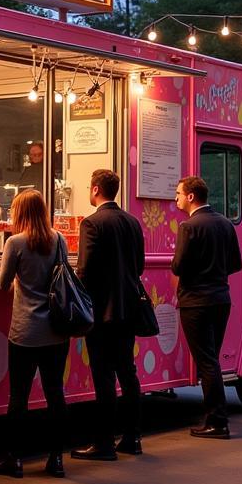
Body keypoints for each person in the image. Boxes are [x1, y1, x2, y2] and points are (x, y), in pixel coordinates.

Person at [72, 169, 146, 460]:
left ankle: (103, 443)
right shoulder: (132, 222)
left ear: (95, 189)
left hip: (101, 310)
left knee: (103, 376)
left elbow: (85, 269)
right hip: (128, 308)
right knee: (128, 373)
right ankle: (132, 437)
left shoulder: (91, 223)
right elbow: (138, 266)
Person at [0, 190, 70, 478]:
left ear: (20, 213)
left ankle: (13, 458)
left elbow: (2, 284)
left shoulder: (15, 242)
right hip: (55, 330)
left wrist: (20, 279)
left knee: (19, 397)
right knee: (55, 394)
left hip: (25, 332)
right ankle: (56, 459)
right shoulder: (59, 239)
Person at [171, 175, 242, 439]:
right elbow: (235, 264)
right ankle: (216, 417)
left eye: (178, 193)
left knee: (206, 362)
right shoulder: (225, 223)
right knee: (212, 358)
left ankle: (217, 421)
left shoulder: (188, 227)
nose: (176, 198)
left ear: (191, 196)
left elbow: (178, 266)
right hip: (221, 299)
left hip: (195, 301)